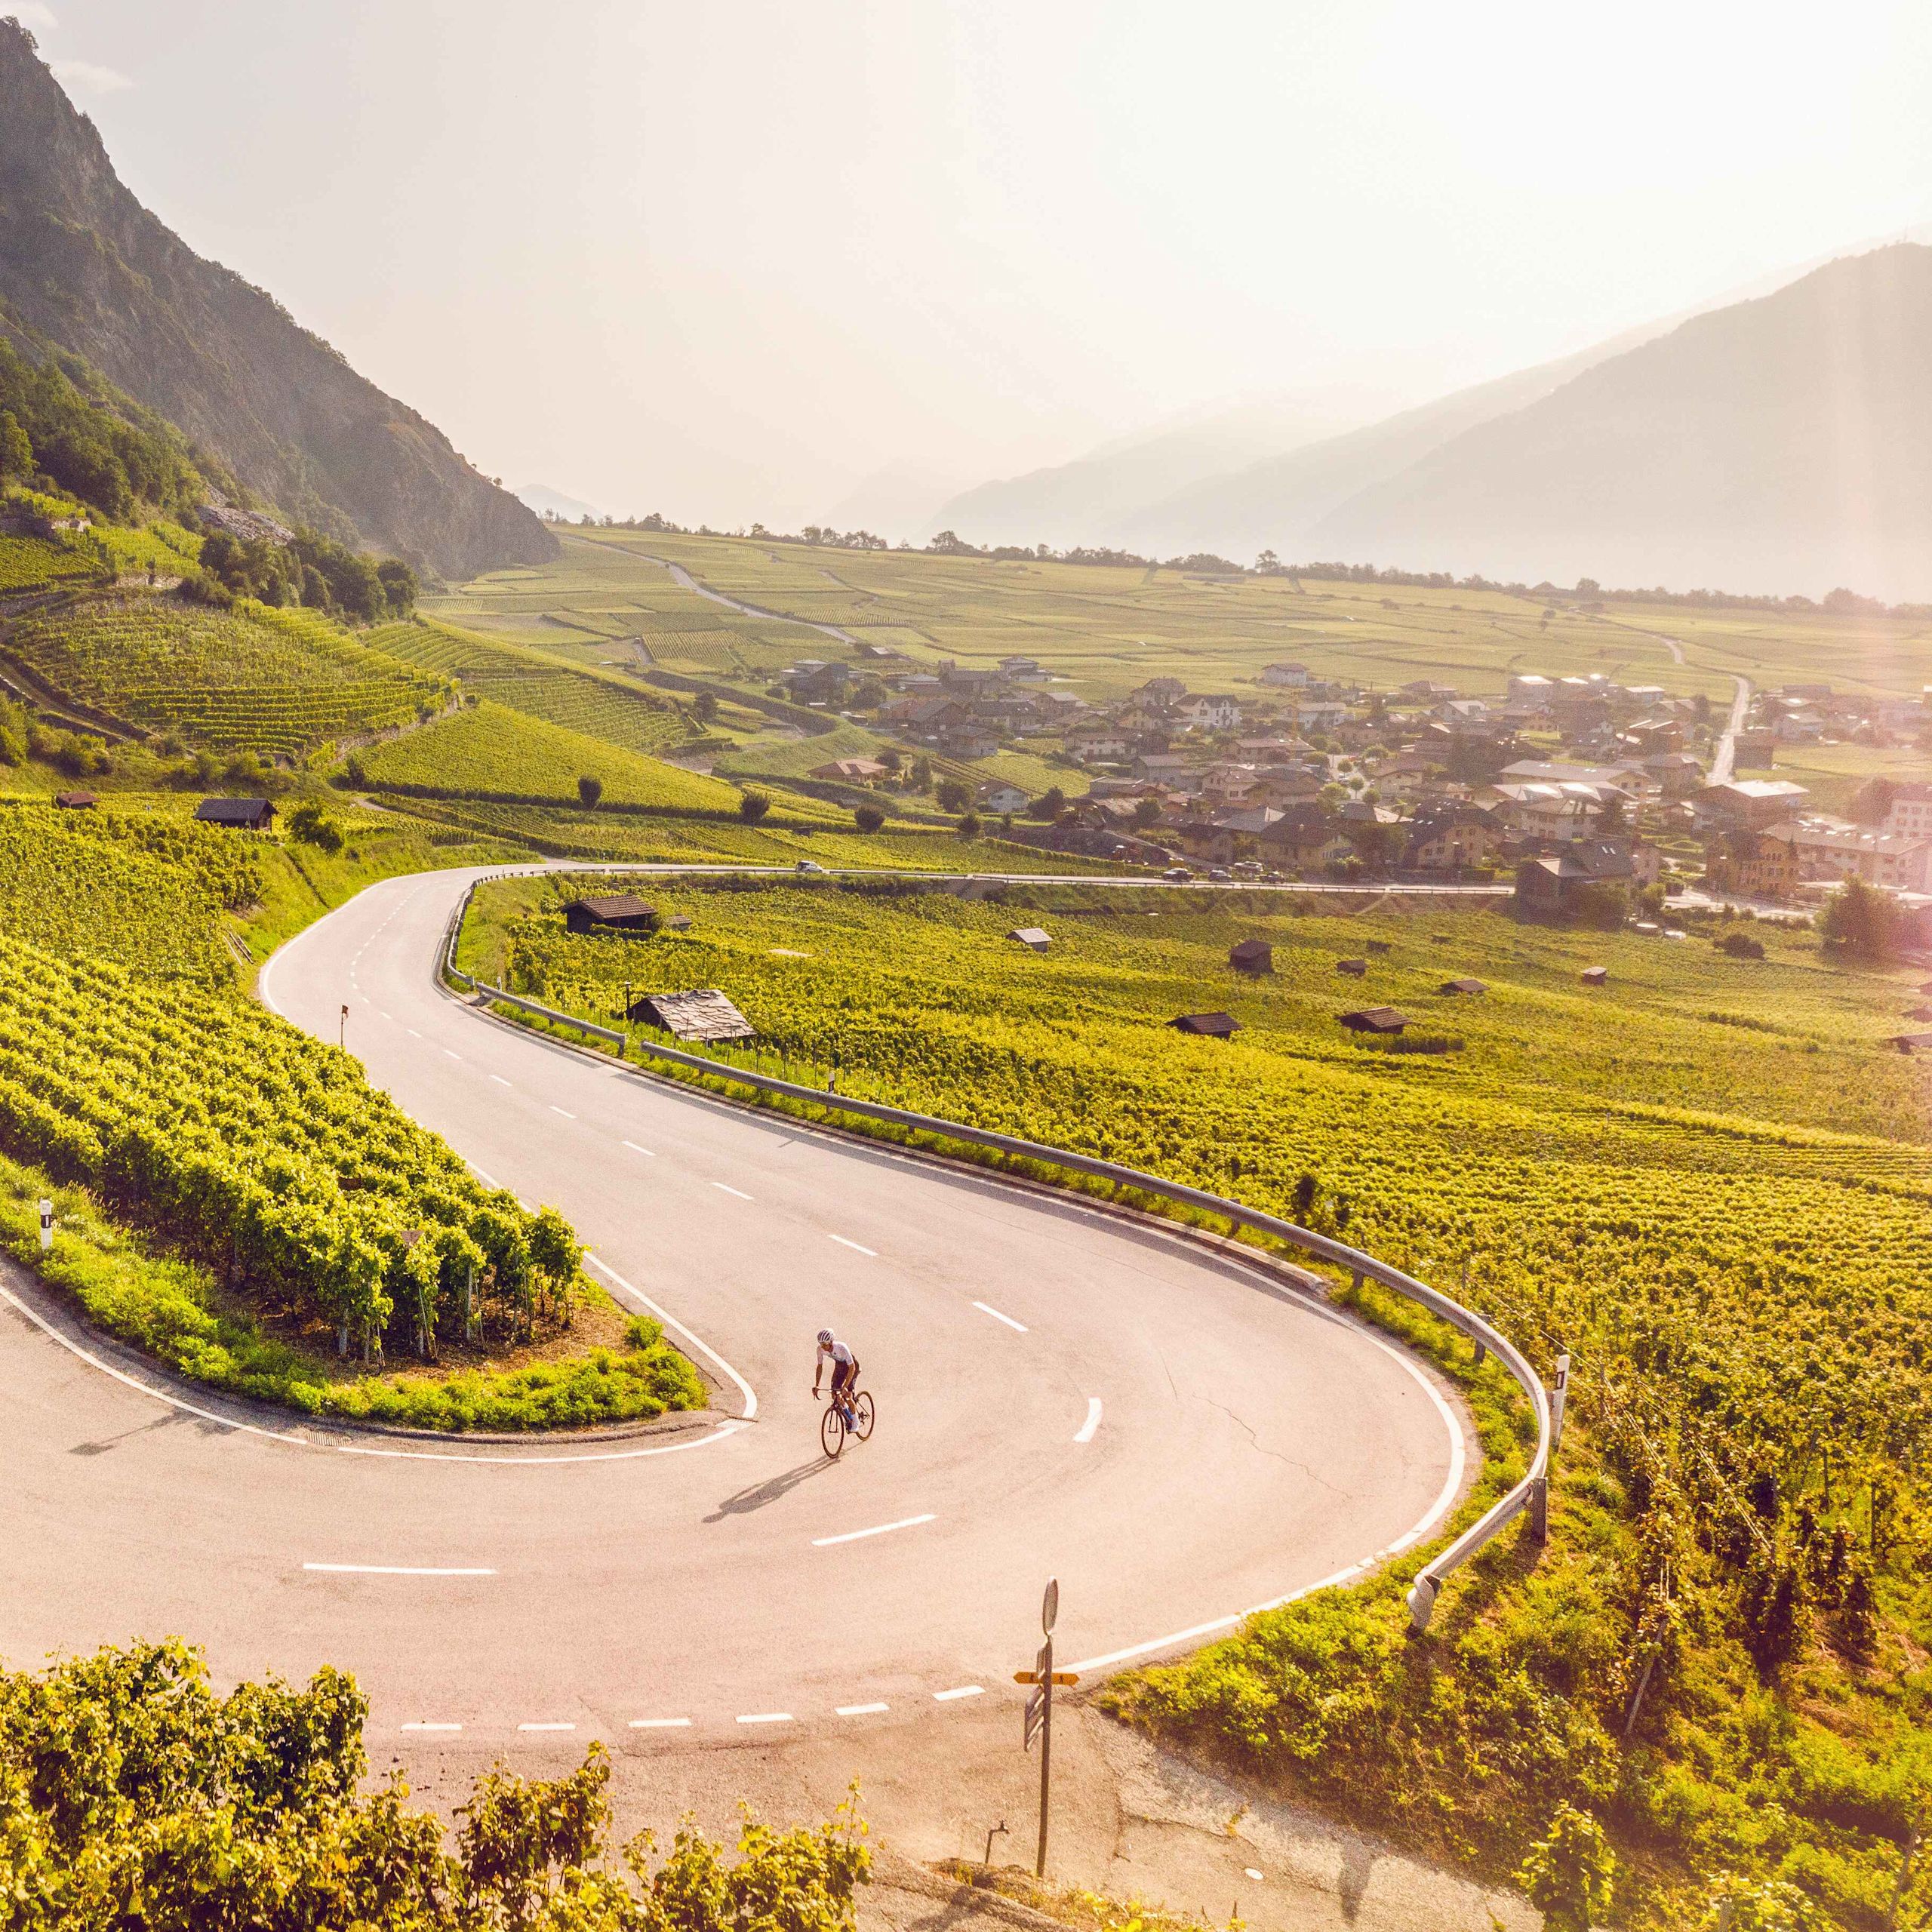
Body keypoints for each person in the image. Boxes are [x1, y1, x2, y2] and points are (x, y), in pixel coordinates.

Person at [813, 1328, 860, 1430]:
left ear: (831, 1342)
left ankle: (856, 1421)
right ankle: (848, 1416)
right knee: (835, 1395)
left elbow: (852, 1367)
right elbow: (820, 1366)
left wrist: (845, 1386)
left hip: (852, 1368)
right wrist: (817, 1385)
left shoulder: (841, 1347)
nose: (823, 1347)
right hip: (840, 1367)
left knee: (847, 1396)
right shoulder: (820, 1349)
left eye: (825, 1344)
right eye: (821, 1344)